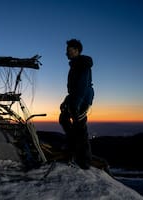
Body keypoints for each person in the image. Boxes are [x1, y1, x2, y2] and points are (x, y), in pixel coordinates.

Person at [59, 39, 94, 169]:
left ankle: (85, 162)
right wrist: (66, 101)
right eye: (66, 51)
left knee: (80, 128)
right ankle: (73, 149)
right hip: (75, 99)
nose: (66, 53)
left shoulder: (83, 64)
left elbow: (83, 86)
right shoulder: (75, 65)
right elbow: (73, 89)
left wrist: (77, 104)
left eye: (69, 50)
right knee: (64, 119)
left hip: (81, 100)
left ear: (77, 51)